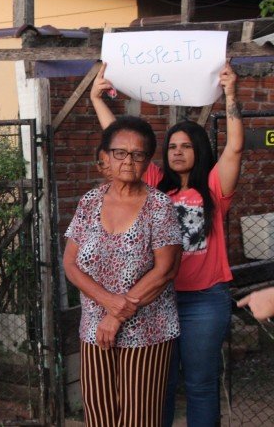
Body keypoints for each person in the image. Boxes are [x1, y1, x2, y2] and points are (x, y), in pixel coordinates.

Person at [91, 62, 243, 426]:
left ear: (200, 149)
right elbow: (122, 144)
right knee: (159, 384)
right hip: (158, 299)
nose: (177, 152)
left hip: (205, 299)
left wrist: (231, 94)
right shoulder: (157, 186)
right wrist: (97, 98)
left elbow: (236, 148)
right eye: (172, 146)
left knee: (201, 384)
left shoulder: (214, 188)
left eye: (186, 146)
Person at [63, 116, 183, 427]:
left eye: (137, 154)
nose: (128, 161)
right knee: (99, 416)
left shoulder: (159, 206)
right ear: (104, 157)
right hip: (94, 330)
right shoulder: (89, 202)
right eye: (120, 152)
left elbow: (165, 270)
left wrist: (116, 314)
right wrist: (107, 303)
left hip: (147, 331)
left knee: (139, 419)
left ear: (147, 161)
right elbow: (70, 264)